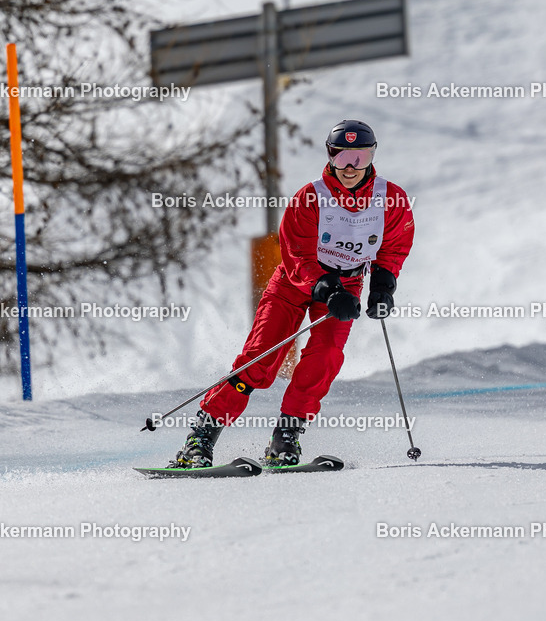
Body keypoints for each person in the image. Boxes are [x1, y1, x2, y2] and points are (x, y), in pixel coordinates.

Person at [170, 118, 415, 468]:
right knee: (260, 357)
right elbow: (297, 253)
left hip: (347, 286)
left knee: (326, 356)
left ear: (372, 157)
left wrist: (382, 287)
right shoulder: (311, 197)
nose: (349, 167)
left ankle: (285, 437)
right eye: (341, 157)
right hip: (294, 284)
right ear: (330, 156)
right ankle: (201, 437)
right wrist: (326, 288)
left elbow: (394, 245)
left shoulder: (390, 198)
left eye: (359, 158)